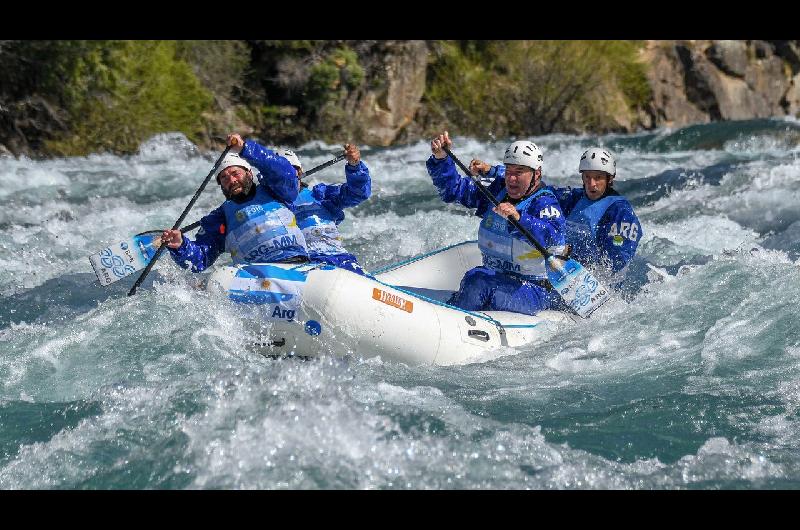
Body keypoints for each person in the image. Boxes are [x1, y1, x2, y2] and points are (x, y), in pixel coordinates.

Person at [426, 131, 567, 316]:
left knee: (477, 280)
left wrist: (520, 218)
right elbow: (454, 191)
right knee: (477, 277)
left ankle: (452, 318)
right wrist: (441, 159)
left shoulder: (545, 203)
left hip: (535, 290)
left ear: (536, 174)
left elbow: (553, 235)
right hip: (499, 278)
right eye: (508, 171)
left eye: (519, 172)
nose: (511, 179)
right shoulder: (497, 191)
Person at [471, 147, 643, 290]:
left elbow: (617, 261)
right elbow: (536, 187)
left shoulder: (620, 212)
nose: (592, 184)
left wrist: (586, 270)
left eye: (598, 177)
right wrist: (493, 171)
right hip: (563, 270)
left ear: (609, 179)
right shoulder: (574, 197)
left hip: (595, 283)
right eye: (587, 177)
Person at [160, 133, 307, 271]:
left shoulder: (277, 190)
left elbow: (285, 172)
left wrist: (246, 149)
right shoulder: (219, 218)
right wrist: (180, 246)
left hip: (298, 265)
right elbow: (201, 258)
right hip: (256, 277)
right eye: (224, 178)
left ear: (249, 173)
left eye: (235, 173)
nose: (231, 180)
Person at [275, 143, 372, 276]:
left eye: (291, 170)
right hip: (304, 266)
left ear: (300, 172)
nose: (286, 176)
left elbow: (359, 193)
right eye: (279, 173)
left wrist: (355, 166)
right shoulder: (268, 204)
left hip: (339, 259)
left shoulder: (321, 195)